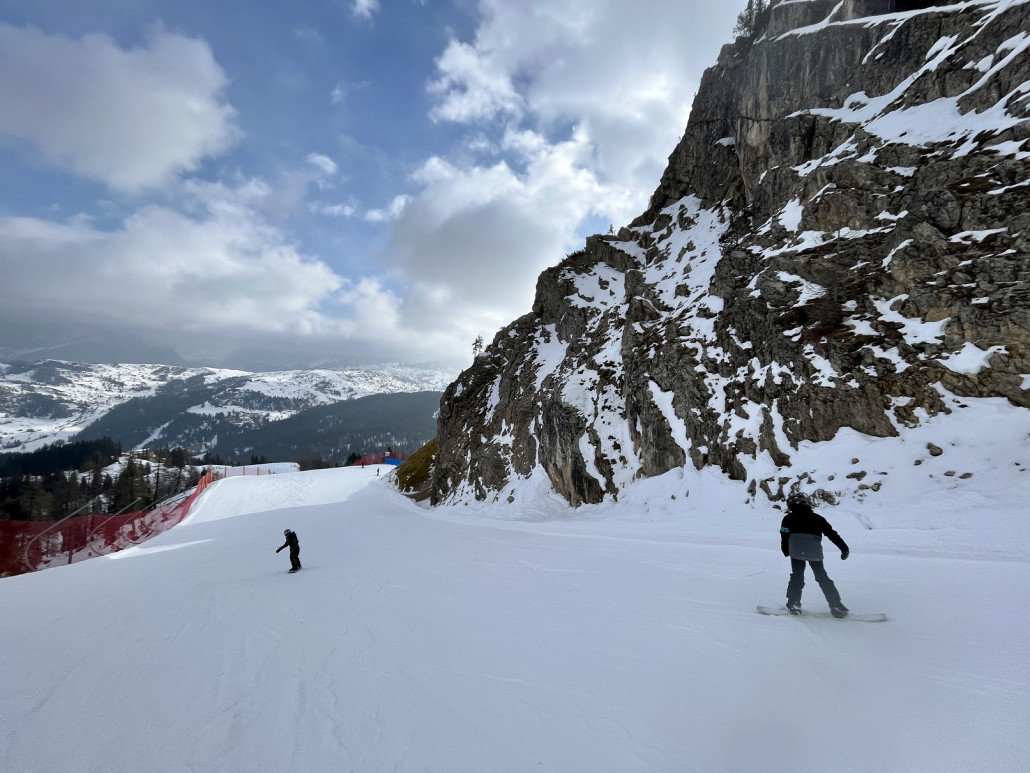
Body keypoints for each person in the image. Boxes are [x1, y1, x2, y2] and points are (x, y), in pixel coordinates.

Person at [780, 492, 849, 617]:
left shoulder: (787, 519)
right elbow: (832, 534)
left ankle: (794, 603)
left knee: (797, 577)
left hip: (796, 551)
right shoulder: (818, 519)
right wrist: (844, 548)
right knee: (822, 577)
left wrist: (785, 550)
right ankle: (836, 605)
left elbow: (784, 535)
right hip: (814, 552)